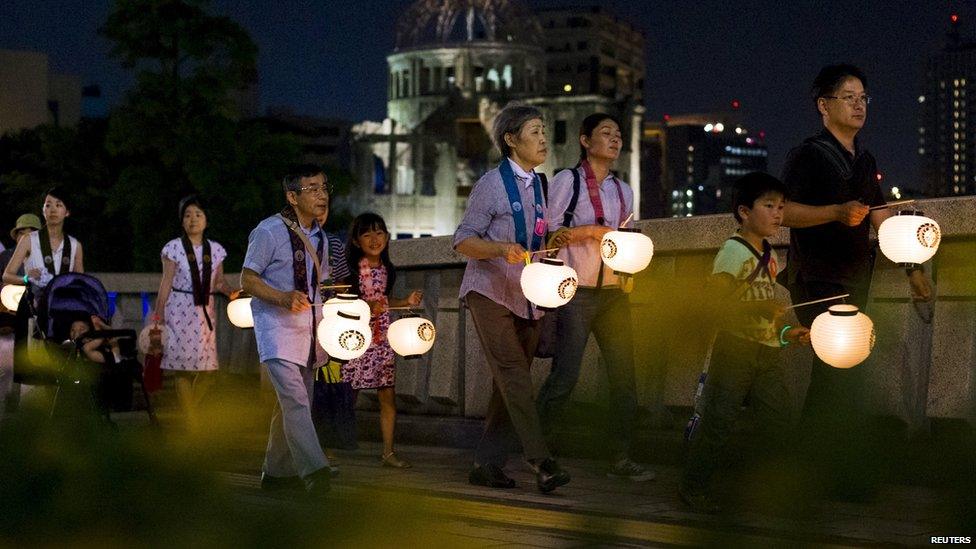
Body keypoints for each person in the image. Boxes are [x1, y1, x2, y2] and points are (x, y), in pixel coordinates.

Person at [781, 64, 932, 500]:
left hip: (855, 278)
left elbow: (883, 217)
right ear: (823, 106)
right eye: (848, 96)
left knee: (841, 377)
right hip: (817, 277)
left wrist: (913, 268)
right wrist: (833, 212)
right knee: (836, 375)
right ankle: (820, 474)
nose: (859, 104)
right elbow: (782, 211)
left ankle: (820, 472)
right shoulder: (807, 154)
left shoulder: (864, 159)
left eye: (863, 96)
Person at [453, 103, 570, 493]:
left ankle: (486, 464)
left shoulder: (540, 184)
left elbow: (534, 240)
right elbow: (463, 240)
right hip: (489, 293)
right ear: (510, 140)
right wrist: (500, 249)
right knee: (515, 374)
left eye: (543, 131)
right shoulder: (491, 184)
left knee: (510, 381)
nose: (543, 139)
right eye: (535, 131)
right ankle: (542, 461)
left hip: (527, 294)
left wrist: (553, 242)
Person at [680, 172, 811, 513]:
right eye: (768, 206)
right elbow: (716, 305)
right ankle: (694, 488)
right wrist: (761, 306)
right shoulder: (732, 252)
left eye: (781, 206)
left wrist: (786, 334)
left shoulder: (771, 256)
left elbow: (766, 322)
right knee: (719, 424)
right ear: (744, 211)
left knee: (778, 425)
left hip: (766, 352)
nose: (778, 214)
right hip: (734, 351)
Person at [535, 113, 654, 482]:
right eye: (606, 133)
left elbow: (626, 238)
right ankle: (538, 453)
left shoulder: (623, 190)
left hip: (615, 292)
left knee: (625, 378)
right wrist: (592, 230)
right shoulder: (566, 181)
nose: (615, 139)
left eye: (618, 134)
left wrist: (630, 270)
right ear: (585, 141)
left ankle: (621, 456)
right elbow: (550, 233)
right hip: (576, 290)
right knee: (564, 376)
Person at [241, 165, 336, 498]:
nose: (322, 194)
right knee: (296, 400)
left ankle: (276, 475)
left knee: (292, 405)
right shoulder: (268, 231)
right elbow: (247, 279)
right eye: (312, 189)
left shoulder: (320, 238)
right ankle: (316, 470)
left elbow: (321, 285)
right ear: (292, 197)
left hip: (308, 331)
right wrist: (282, 296)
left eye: (324, 187)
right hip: (276, 329)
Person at [342, 212, 422, 468]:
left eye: (379, 233)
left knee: (387, 395)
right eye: (367, 234)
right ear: (356, 241)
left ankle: (388, 452)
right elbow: (341, 305)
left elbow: (385, 302)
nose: (374, 239)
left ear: (387, 237)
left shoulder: (389, 270)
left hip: (383, 341)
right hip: (355, 338)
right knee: (347, 395)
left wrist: (405, 302)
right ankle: (331, 447)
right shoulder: (350, 271)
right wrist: (366, 306)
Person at [153, 196, 237, 431]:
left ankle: (189, 412)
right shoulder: (174, 248)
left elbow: (219, 282)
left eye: (198, 215)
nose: (193, 219)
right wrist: (157, 317)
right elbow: (166, 282)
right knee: (183, 369)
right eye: (188, 215)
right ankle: (192, 421)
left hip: (204, 313)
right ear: (182, 221)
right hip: (179, 310)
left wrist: (233, 293)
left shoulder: (216, 250)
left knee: (208, 370)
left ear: (206, 220)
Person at [0, 214, 42, 419]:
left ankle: (26, 406)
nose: (25, 238)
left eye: (30, 233)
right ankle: (12, 402)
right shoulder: (7, 257)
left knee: (28, 359)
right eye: (22, 234)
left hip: (33, 317)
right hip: (10, 316)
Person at [3, 187, 84, 291]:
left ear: (67, 212)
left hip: (63, 303)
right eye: (48, 205)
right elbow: (7, 275)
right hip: (35, 303)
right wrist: (26, 278)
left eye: (58, 205)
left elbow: (81, 282)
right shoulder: (28, 240)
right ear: (43, 210)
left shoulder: (75, 245)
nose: (53, 210)